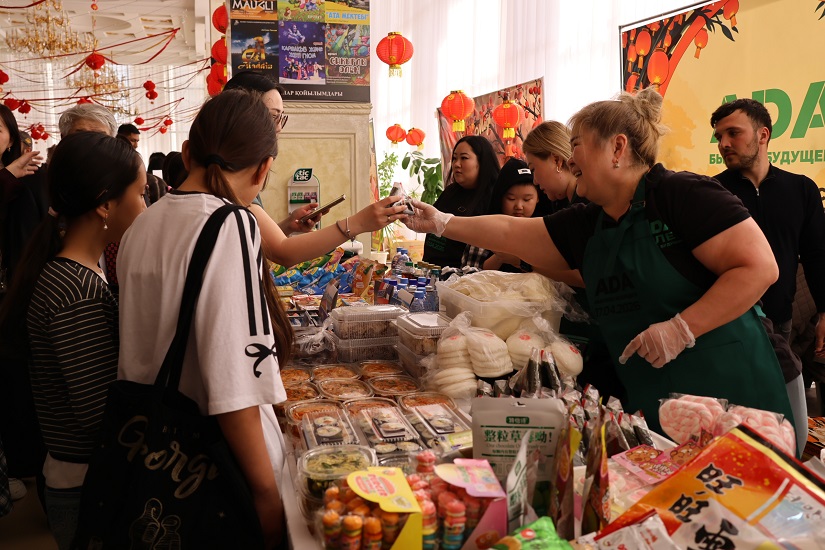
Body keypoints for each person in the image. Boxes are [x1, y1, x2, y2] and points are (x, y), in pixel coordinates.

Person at [404, 88, 793, 436]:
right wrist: (442, 222)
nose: (570, 157)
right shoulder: (591, 221)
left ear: (617, 149)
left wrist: (681, 329)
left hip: (743, 391)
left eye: (576, 145)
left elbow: (759, 267)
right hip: (662, 398)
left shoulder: (681, 194)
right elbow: (510, 232)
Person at [116, 89, 407, 548]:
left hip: (152, 445)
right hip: (214, 463)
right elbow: (234, 382)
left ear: (188, 152)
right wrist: (268, 496)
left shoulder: (141, 225)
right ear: (264, 168)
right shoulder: (230, 224)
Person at [0, 131, 146, 549]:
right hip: (88, 485)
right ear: (105, 204)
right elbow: (97, 413)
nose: (144, 207)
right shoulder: (74, 290)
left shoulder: (78, 271)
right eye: (139, 195)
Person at [710, 98, 825, 453]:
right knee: (734, 419)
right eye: (718, 136)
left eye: (733, 133)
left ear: (763, 135)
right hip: (729, 325)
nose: (723, 143)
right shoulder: (711, 192)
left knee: (780, 421)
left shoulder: (801, 189)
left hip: (782, 321)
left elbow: (818, 256)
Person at [222, 71, 400, 266]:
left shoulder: (234, 171)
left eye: (281, 118)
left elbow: (255, 239)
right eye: (273, 116)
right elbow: (282, 251)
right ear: (243, 116)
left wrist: (288, 226)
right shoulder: (233, 174)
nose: (278, 128)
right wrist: (359, 223)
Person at [422, 135, 500, 268]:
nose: (456, 164)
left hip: (462, 276)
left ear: (482, 162)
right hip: (431, 270)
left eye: (464, 158)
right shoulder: (450, 192)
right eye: (454, 158)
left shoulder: (493, 197)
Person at [461, 158, 543, 272]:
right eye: (511, 198)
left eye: (527, 199)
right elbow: (469, 273)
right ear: (500, 197)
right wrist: (501, 256)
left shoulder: (543, 230)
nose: (519, 206)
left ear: (538, 198)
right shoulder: (485, 230)